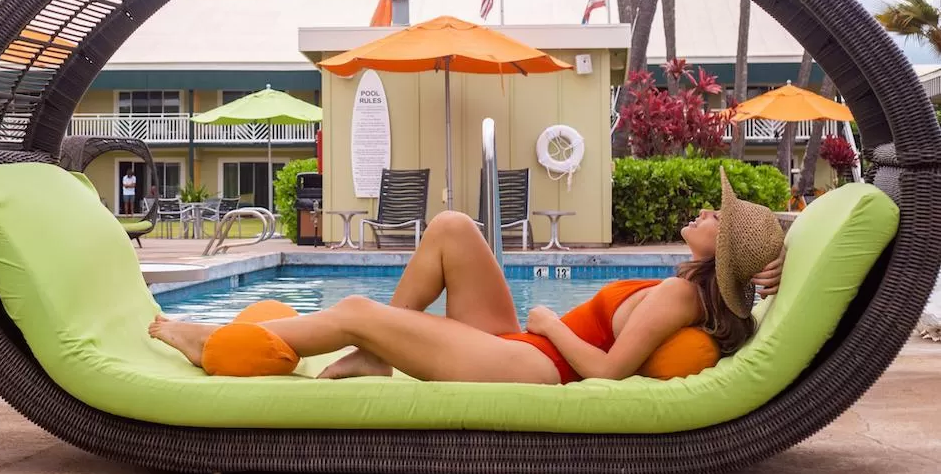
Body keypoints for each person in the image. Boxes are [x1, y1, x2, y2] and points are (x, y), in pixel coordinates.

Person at [150, 170, 786, 384]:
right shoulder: (686, 288)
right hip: (525, 349)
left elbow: (607, 373)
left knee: (355, 308)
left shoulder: (677, 294)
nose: (705, 212)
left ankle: (211, 347)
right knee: (453, 225)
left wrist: (547, 324)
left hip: (541, 365)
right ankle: (372, 358)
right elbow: (790, 237)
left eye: (716, 217)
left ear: (722, 250)